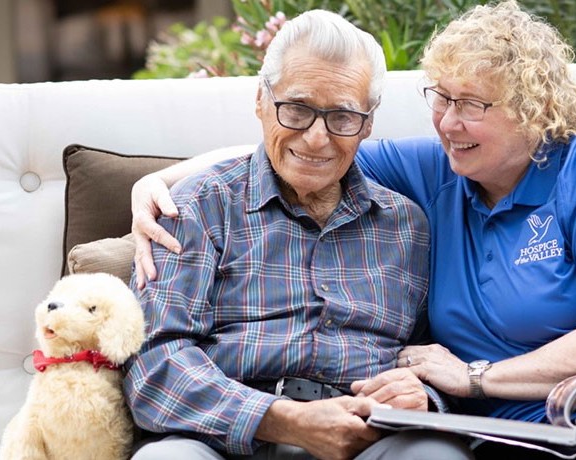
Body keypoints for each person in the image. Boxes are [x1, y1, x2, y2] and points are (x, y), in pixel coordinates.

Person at [131, 2, 576, 459]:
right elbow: (299, 149)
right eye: (441, 97)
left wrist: (470, 379)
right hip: (526, 427)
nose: (447, 121)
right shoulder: (434, 171)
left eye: (472, 105)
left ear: (533, 112)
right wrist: (155, 184)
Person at [123, 9, 475, 460]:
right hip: (224, 440)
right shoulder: (196, 206)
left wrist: (424, 399)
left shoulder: (409, 227)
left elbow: (430, 358)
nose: (315, 138)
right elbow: (154, 363)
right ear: (260, 101)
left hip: (369, 442)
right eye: (296, 109)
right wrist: (282, 419)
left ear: (368, 123)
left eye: (343, 117)